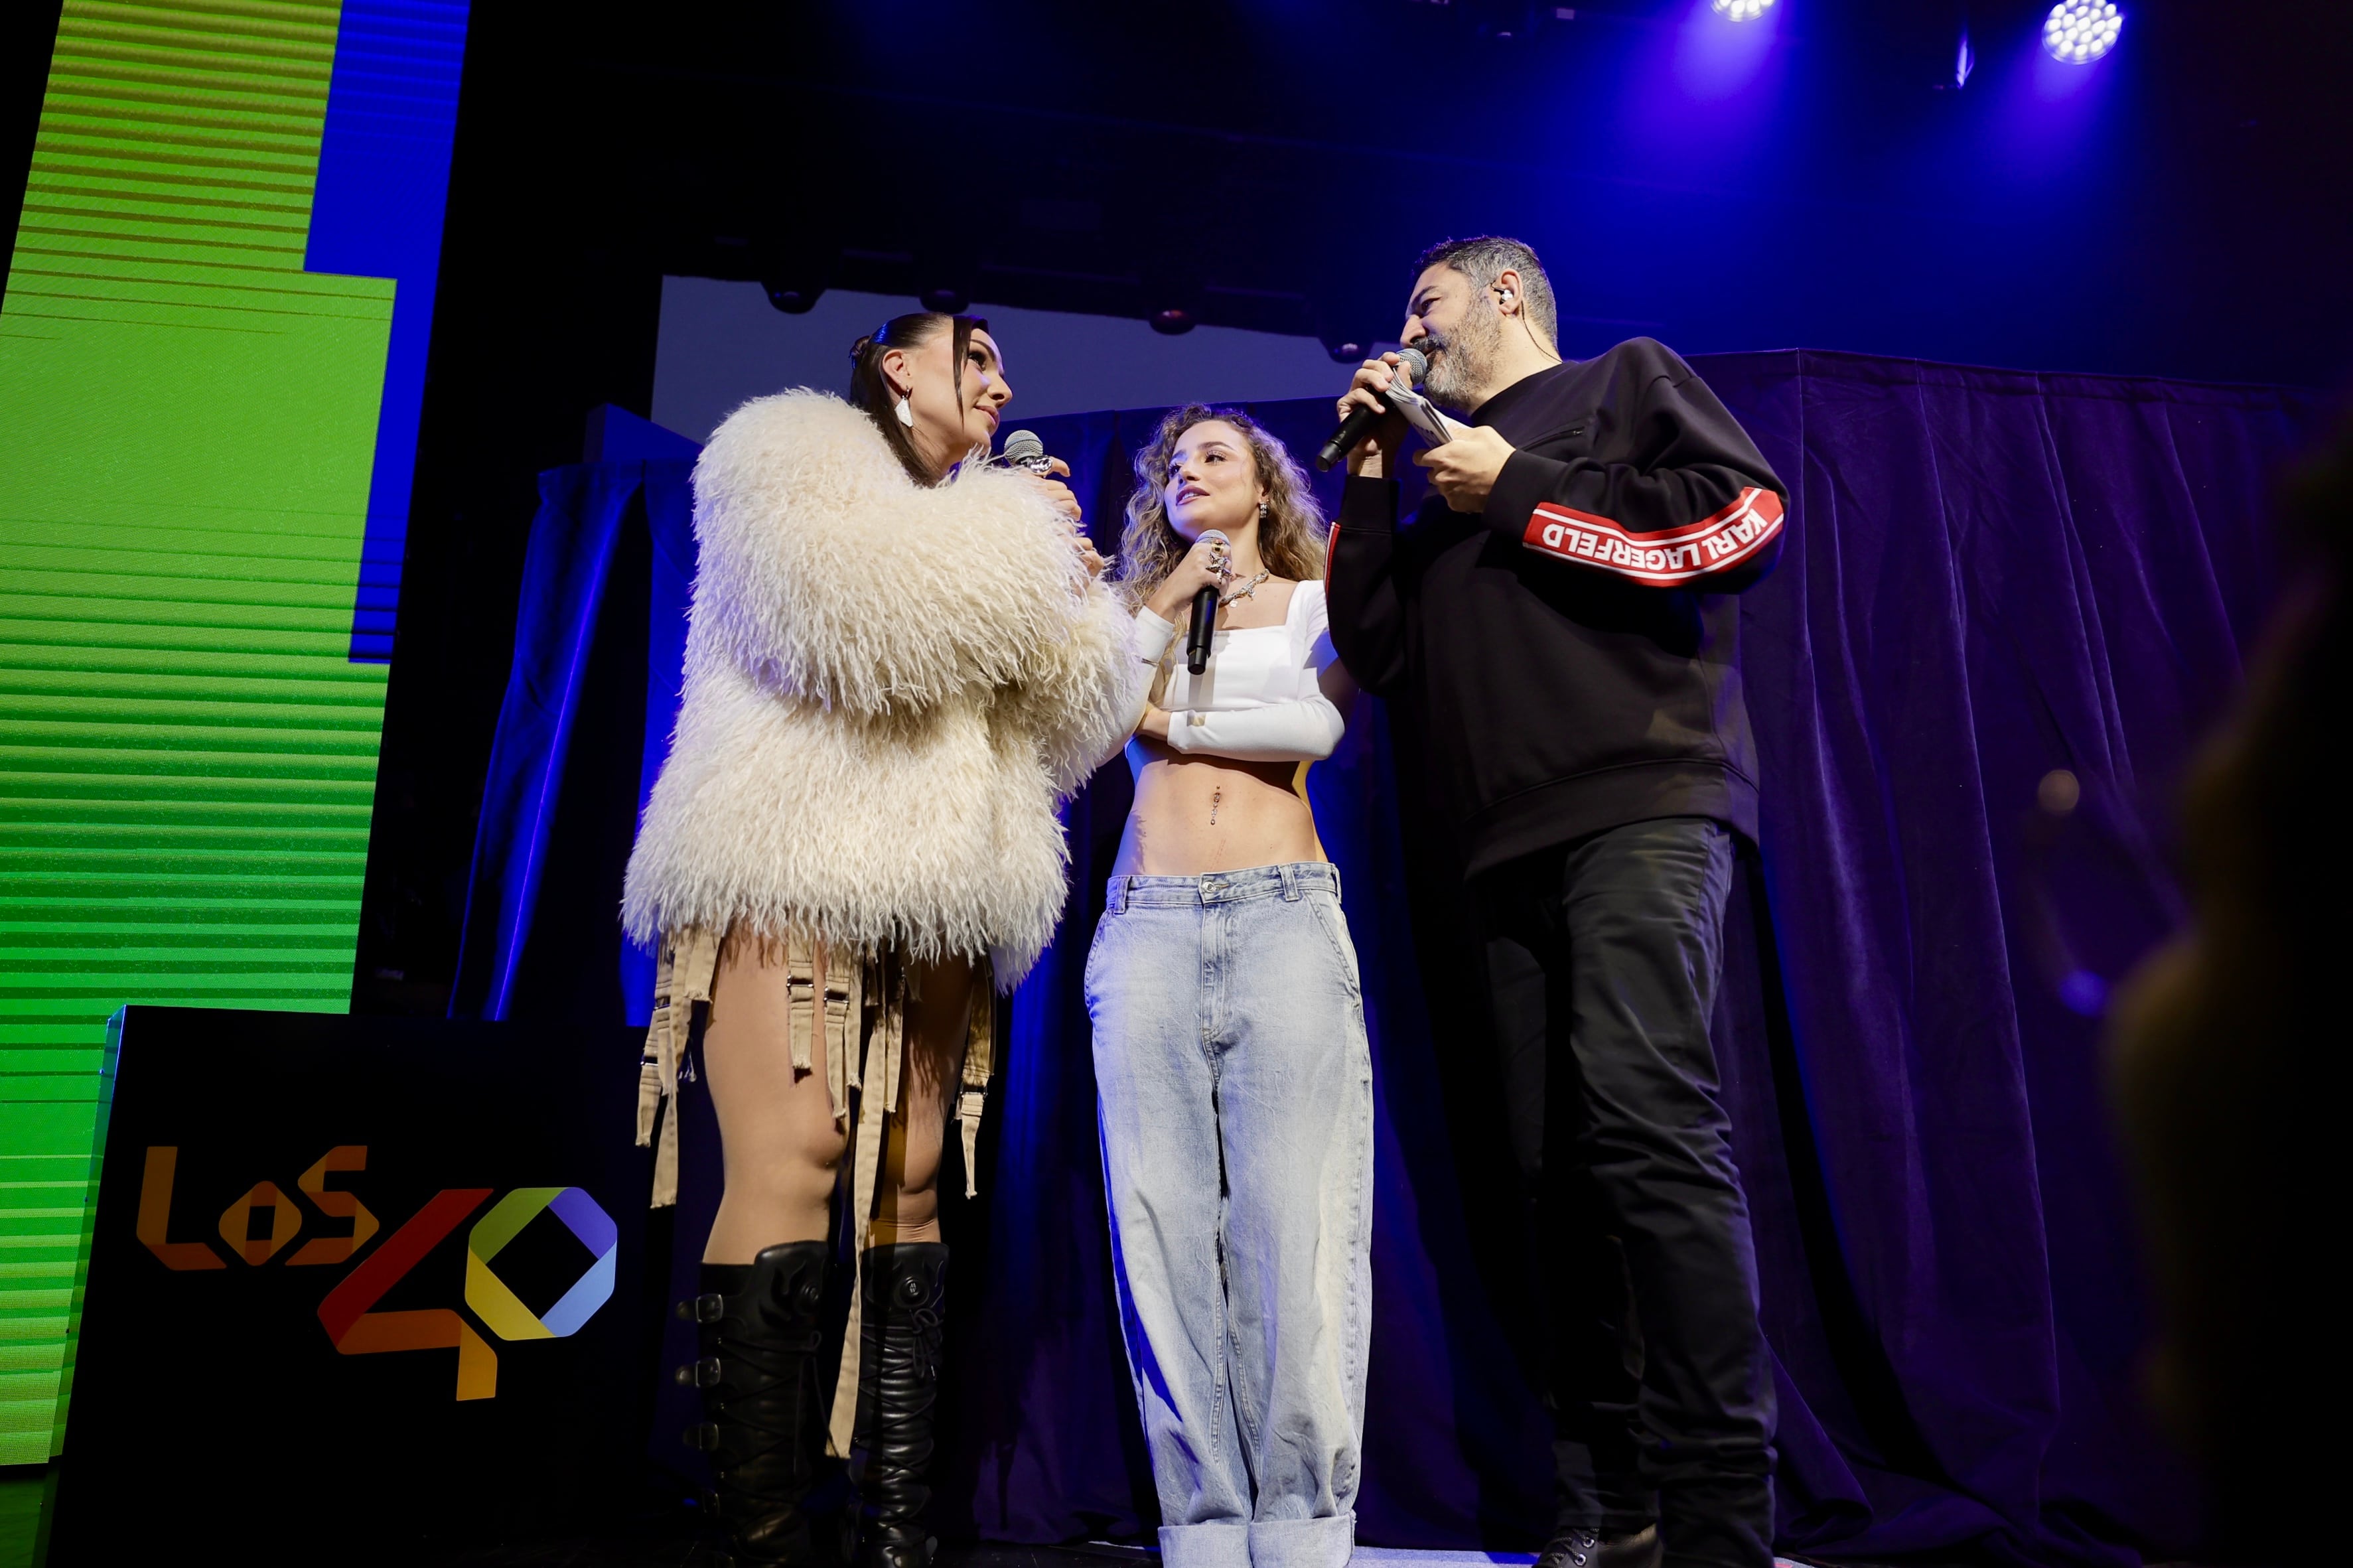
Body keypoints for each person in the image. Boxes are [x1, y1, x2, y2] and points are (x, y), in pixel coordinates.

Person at [621, 313, 1141, 1568]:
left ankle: (892, 1532)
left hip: (942, 895)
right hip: (790, 864)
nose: (1002, 384)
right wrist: (1014, 529)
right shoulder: (783, 451)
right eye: (977, 359)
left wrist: (1074, 593)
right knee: (795, 1158)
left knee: (911, 1186)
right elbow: (854, 616)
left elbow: (1063, 728)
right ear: (898, 368)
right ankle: (761, 1532)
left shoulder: (991, 527)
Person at [1324, 238, 1788, 1568]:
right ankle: (1609, 1502)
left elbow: (1739, 522)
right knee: (1551, 1179)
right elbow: (1378, 650)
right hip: (1501, 848)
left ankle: (1719, 1521)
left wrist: (1522, 485)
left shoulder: (1618, 384)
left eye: (1426, 303)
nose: (1407, 327)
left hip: (1640, 804)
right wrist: (1367, 472)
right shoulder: (1431, 482)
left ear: (1502, 293)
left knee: (1652, 1138)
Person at [1084, 406, 1372, 1568]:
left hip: (1280, 919)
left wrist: (1162, 718)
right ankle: (1201, 1530)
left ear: (1265, 485)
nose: (1188, 473)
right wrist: (1153, 609)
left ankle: (1302, 1529)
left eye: (1216, 455)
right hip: (1148, 926)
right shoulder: (1131, 617)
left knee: (1290, 1233)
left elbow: (1313, 725)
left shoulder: (1313, 599)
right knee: (1158, 1234)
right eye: (1172, 464)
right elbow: (1078, 733)